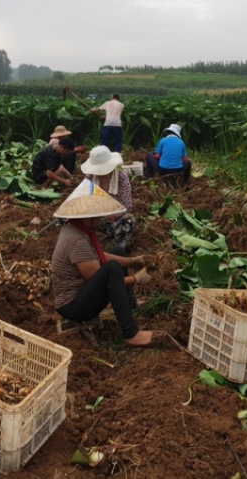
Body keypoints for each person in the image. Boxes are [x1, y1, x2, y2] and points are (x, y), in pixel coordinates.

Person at [50, 179, 166, 348]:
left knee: (118, 253)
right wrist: (135, 279)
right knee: (112, 269)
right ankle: (130, 333)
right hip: (73, 305)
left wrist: (133, 261)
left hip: (82, 293)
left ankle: (129, 303)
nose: (101, 219)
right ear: (87, 217)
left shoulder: (76, 229)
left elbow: (97, 255)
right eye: (98, 216)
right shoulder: (77, 240)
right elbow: (99, 278)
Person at [81, 145, 136, 248]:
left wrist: (114, 215)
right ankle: (83, 242)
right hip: (92, 218)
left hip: (114, 220)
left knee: (129, 220)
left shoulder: (121, 177)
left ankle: (119, 247)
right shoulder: (90, 177)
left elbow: (126, 205)